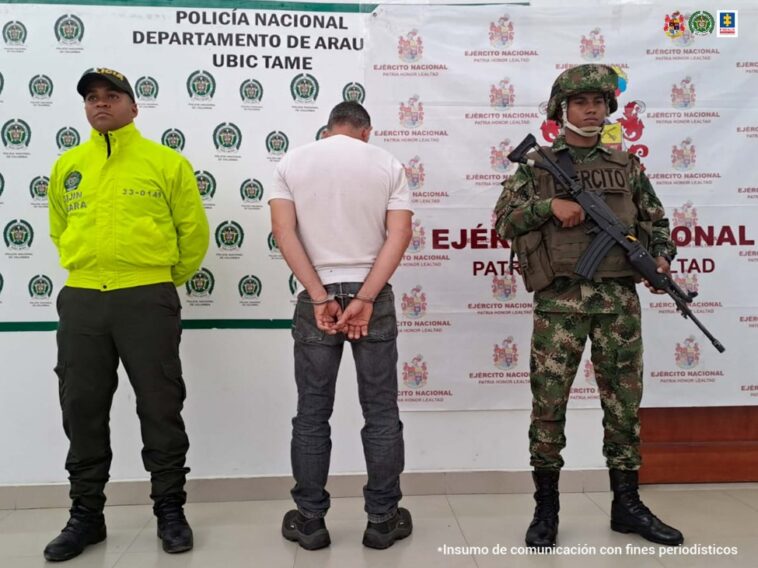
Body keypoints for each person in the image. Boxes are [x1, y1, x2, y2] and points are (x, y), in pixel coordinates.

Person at [494, 64, 683, 549]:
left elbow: (656, 221)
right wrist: (548, 207)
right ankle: (546, 509)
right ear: (562, 109)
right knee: (549, 406)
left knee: (623, 406)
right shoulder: (537, 166)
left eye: (599, 102)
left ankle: (627, 505)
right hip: (560, 303)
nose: (592, 109)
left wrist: (659, 258)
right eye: (581, 102)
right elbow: (503, 222)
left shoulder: (626, 165)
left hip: (619, 301)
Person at [44, 67, 209, 561]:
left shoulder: (165, 163)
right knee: (81, 408)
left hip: (146, 299)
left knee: (160, 406)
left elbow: (192, 234)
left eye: (111, 96)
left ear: (133, 108)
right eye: (92, 98)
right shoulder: (67, 166)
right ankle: (86, 517)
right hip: (83, 299)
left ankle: (170, 512)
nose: (100, 104)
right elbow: (59, 230)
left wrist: (156, 279)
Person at [269, 101, 413, 550]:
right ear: (365, 131)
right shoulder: (387, 163)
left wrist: (319, 296)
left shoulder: (292, 161)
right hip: (374, 294)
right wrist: (367, 297)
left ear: (328, 129)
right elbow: (400, 235)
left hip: (318, 296)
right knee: (382, 412)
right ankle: (382, 521)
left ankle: (310, 521)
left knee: (312, 413)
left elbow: (283, 231)